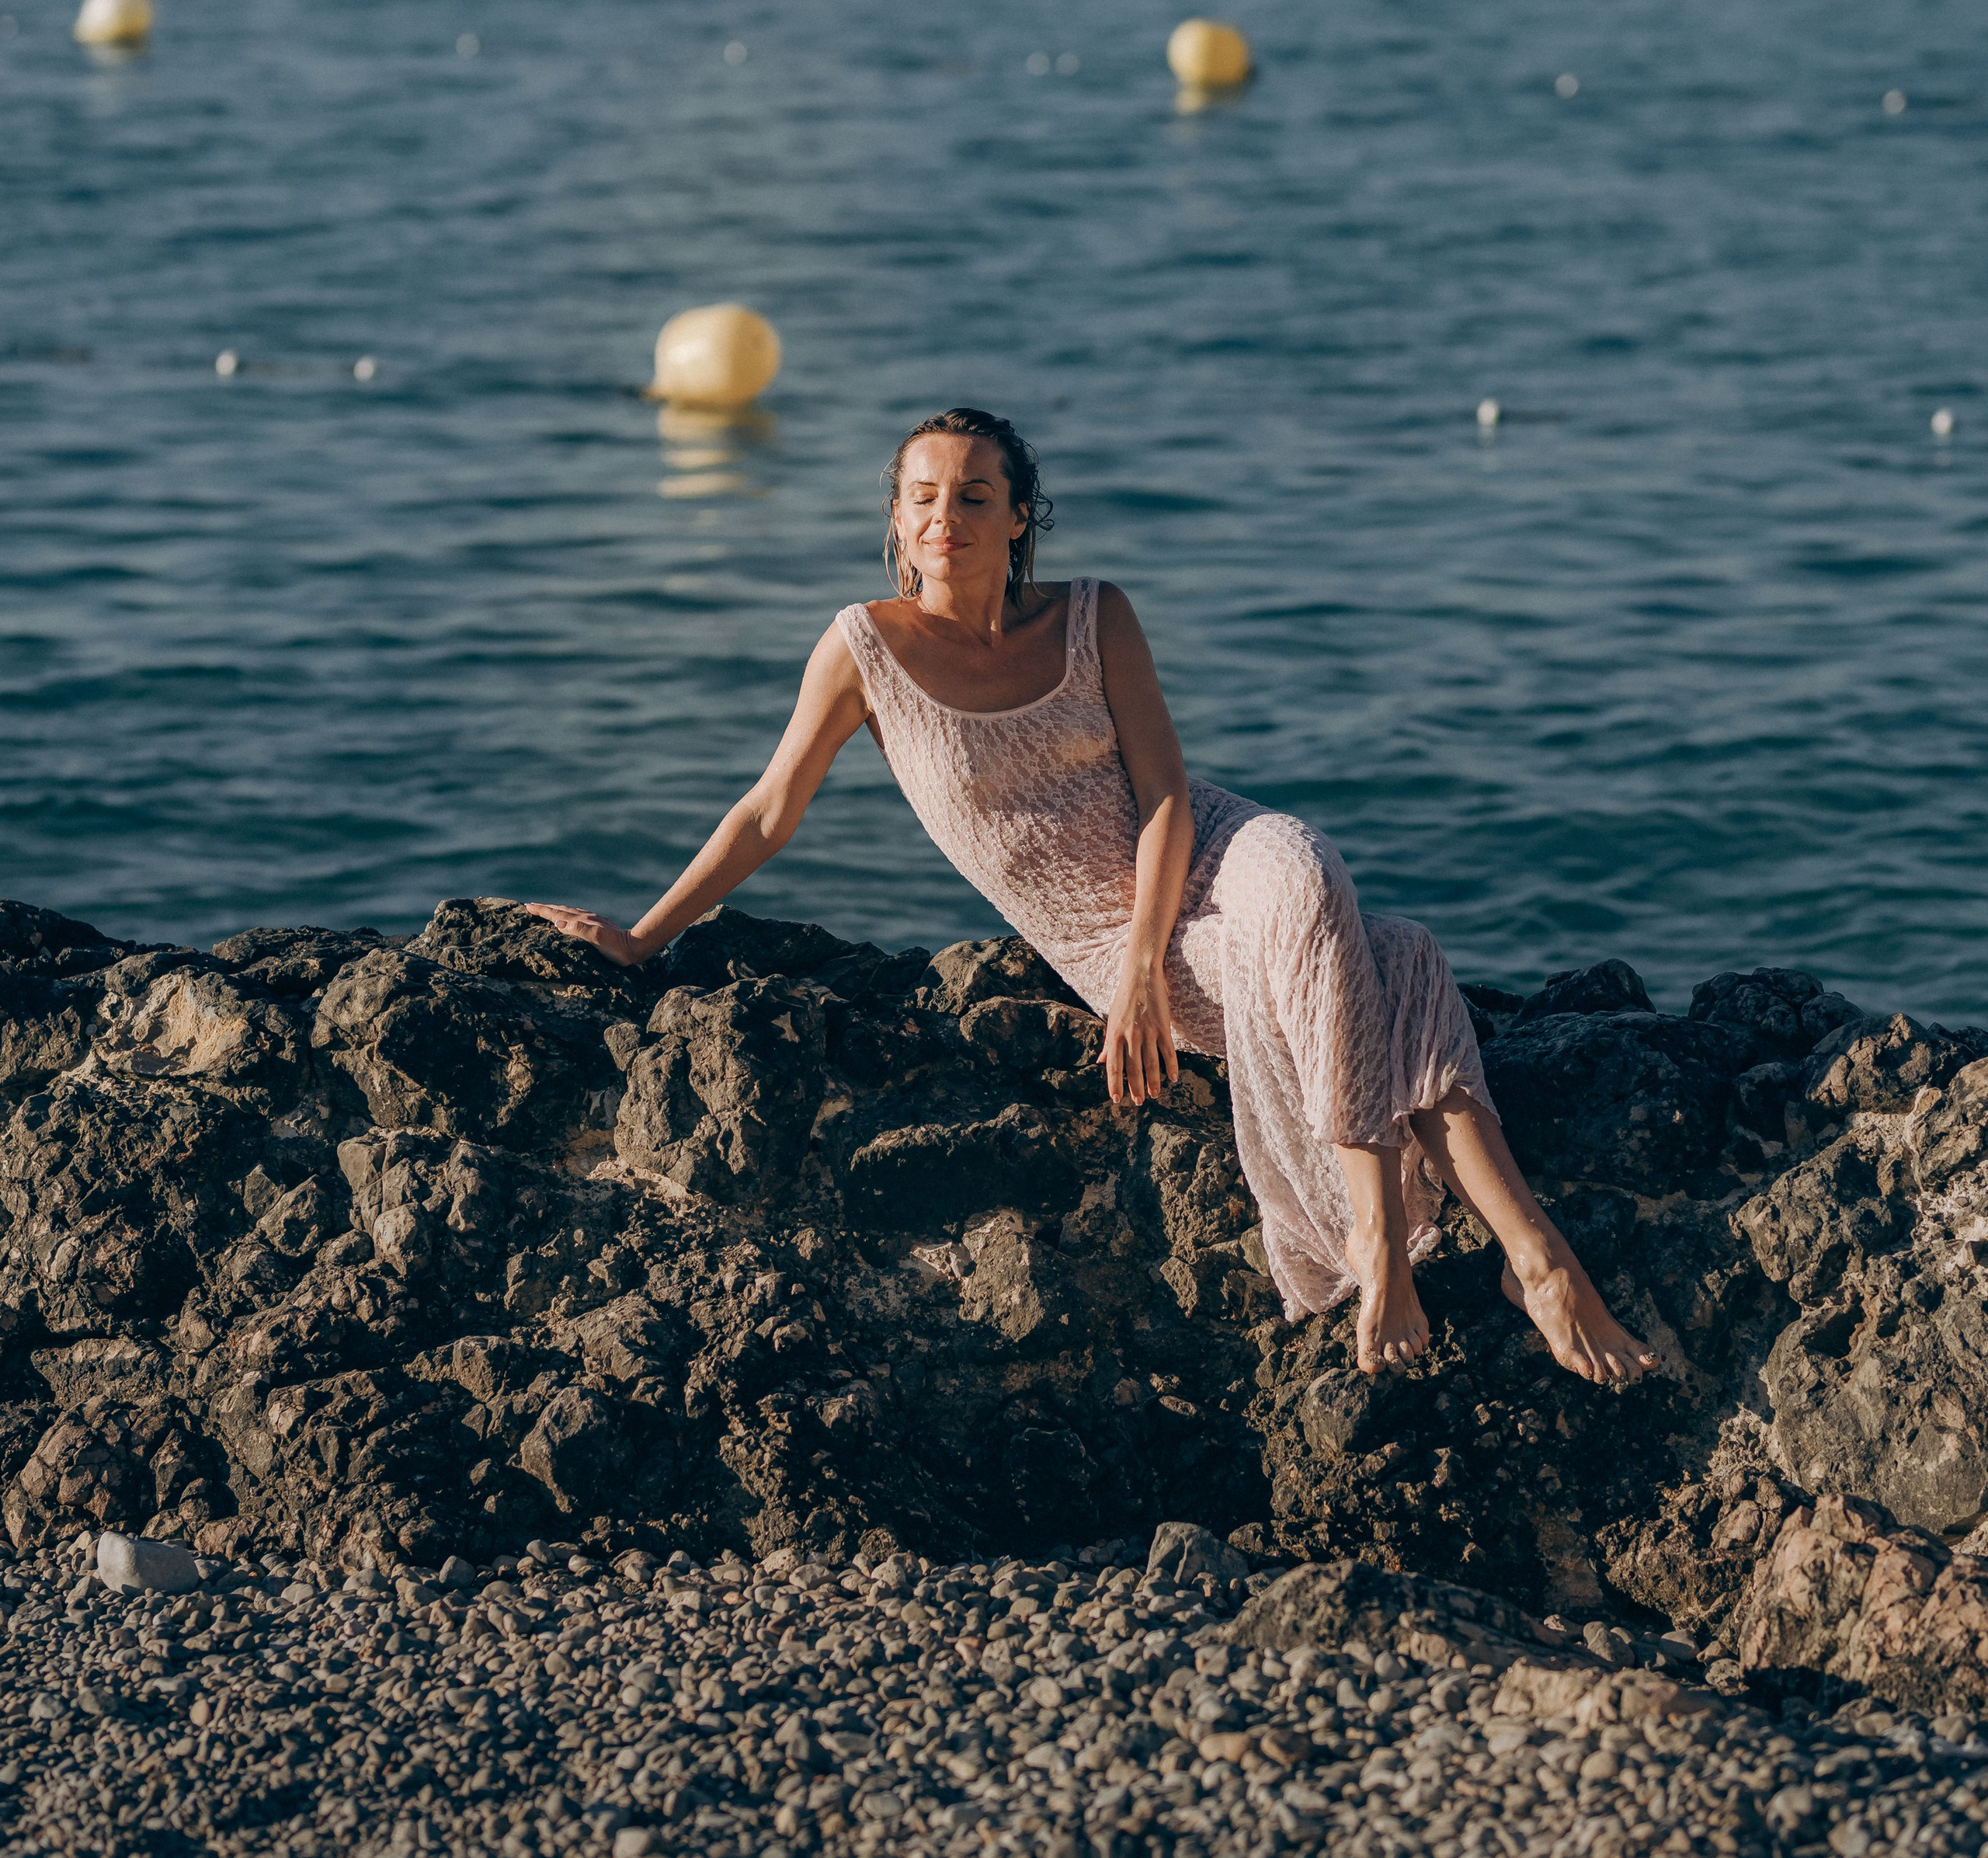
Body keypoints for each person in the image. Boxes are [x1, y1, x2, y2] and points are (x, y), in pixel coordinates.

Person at [529, 409, 1659, 1387]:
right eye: (924, 495)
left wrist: (1139, 977)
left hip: (1203, 856)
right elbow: (769, 811)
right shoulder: (862, 650)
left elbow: (1167, 792)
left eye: (976, 495)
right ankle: (1536, 1259)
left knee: (1309, 867)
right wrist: (641, 938)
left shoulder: (1093, 615)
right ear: (897, 512)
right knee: (1399, 954)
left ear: (1019, 517)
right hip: (1104, 928)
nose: (946, 517)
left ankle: (1388, 1241)